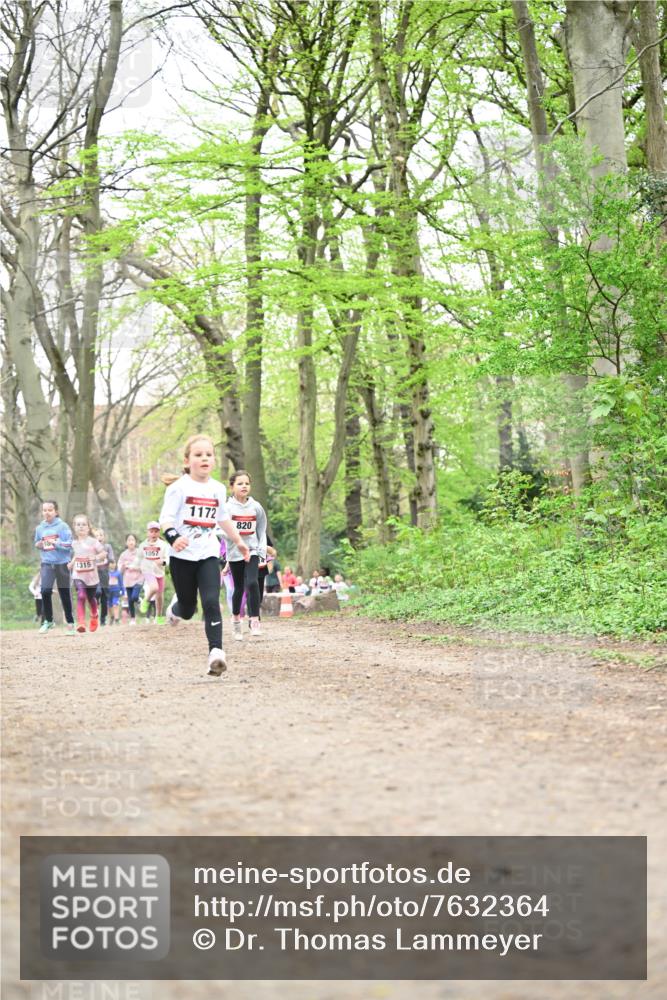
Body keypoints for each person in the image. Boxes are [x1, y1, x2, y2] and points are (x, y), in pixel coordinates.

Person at [159, 434, 250, 676]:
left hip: (208, 554)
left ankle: (216, 653)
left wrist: (239, 541)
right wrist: (174, 538)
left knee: (211, 601)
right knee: (188, 608)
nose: (204, 459)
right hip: (181, 557)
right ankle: (176, 609)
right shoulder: (178, 488)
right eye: (198, 455)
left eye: (208, 454)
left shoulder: (218, 489)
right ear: (187, 461)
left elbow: (222, 518)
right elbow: (165, 519)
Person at [224, 470, 267, 640]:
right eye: (240, 483)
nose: (244, 486)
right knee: (239, 588)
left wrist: (261, 550)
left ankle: (254, 621)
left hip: (253, 550)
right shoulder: (227, 508)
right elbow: (220, 529)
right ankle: (236, 620)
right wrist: (231, 537)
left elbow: (261, 529)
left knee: (252, 583)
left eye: (247, 483)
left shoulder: (256, 507)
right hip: (235, 553)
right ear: (232, 486)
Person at [34, 499, 75, 634]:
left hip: (62, 564)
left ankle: (70, 623)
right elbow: (37, 542)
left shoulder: (63, 527)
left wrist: (57, 543)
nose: (47, 512)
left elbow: (69, 545)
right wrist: (39, 544)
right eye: (44, 510)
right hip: (47, 563)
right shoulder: (40, 528)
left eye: (50, 510)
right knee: (45, 591)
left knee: (64, 593)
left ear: (56, 512)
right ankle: (49, 621)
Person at [68, 513, 106, 632]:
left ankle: (94, 614)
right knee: (81, 595)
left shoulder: (93, 542)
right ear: (74, 527)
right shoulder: (73, 543)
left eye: (84, 524)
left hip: (91, 576)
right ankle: (81, 623)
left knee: (91, 598)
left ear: (88, 527)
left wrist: (95, 557)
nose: (81, 527)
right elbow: (76, 555)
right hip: (78, 574)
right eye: (78, 525)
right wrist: (71, 563)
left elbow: (104, 554)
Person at [138, 521, 169, 623]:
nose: (154, 534)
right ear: (148, 532)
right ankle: (145, 601)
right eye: (151, 531)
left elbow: (168, 560)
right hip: (148, 571)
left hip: (159, 572)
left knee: (159, 596)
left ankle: (158, 617)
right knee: (154, 588)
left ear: (159, 533)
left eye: (156, 531)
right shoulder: (143, 545)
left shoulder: (164, 545)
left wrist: (162, 562)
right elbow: (138, 558)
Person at [117, 533, 143, 625]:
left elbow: (144, 565)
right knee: (130, 601)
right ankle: (132, 619)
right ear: (126, 542)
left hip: (138, 579)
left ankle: (139, 599)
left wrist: (134, 567)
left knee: (134, 597)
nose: (131, 542)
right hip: (127, 580)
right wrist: (123, 566)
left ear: (135, 542)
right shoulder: (123, 555)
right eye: (129, 540)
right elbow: (119, 569)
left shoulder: (140, 553)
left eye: (132, 540)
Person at [94, 528, 115, 626]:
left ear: (104, 537)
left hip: (105, 575)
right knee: (97, 592)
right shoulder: (92, 547)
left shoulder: (107, 547)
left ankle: (103, 619)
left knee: (104, 598)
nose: (99, 537)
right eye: (97, 536)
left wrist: (106, 556)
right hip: (94, 575)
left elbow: (112, 559)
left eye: (101, 535)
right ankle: (95, 610)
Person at [107, 560, 124, 624]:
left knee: (115, 604)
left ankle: (117, 619)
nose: (112, 565)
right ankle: (112, 617)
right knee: (109, 605)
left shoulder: (118, 573)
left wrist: (123, 591)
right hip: (108, 591)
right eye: (111, 563)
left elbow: (121, 582)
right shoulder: (106, 572)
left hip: (116, 590)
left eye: (114, 563)